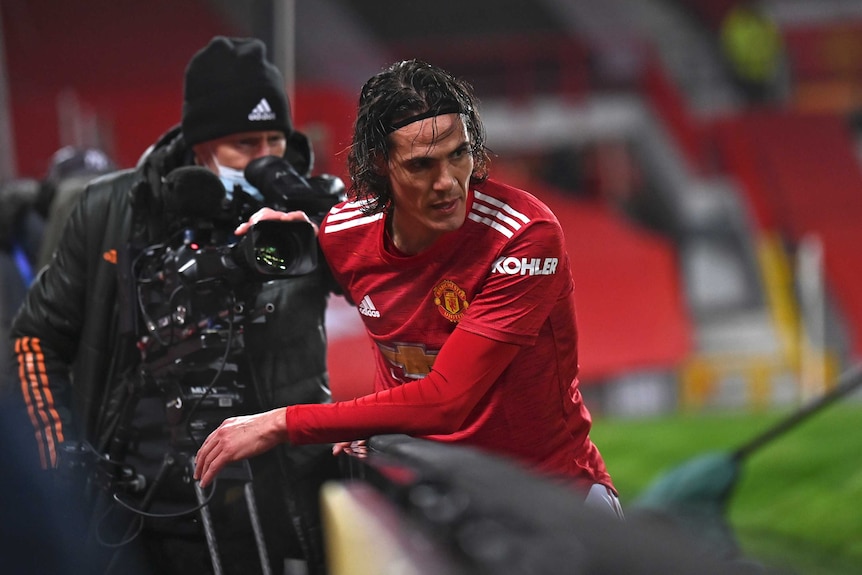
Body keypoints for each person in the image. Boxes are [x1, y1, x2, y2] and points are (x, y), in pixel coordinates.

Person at [195, 59, 622, 518]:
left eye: (459, 154)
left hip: (552, 500)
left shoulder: (522, 234)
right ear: (381, 165)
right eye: (421, 165)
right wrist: (374, 422)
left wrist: (283, 422)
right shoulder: (343, 234)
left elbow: (444, 402)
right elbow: (395, 323)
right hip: (436, 497)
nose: (447, 183)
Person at [10, 36, 342, 574]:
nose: (263, 161)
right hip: (126, 514)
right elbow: (35, 336)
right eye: (244, 145)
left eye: (273, 142)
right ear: (198, 146)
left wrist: (327, 219)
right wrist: (58, 450)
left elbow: (394, 297)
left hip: (271, 508)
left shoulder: (318, 211)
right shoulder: (107, 209)